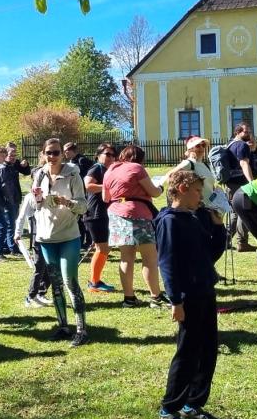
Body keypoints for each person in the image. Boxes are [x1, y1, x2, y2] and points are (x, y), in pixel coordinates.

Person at [155, 170, 228, 419]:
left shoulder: (196, 217)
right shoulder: (170, 222)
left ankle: (193, 404)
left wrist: (219, 228)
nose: (201, 196)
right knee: (187, 352)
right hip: (188, 297)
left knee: (208, 350)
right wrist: (176, 301)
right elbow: (168, 265)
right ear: (183, 188)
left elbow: (211, 254)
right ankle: (170, 407)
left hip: (206, 291)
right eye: (197, 190)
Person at [31, 139, 89, 346]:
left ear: (62, 154)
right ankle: (63, 326)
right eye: (48, 152)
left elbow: (83, 206)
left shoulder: (73, 173)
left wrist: (68, 202)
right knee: (55, 284)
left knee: (69, 281)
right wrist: (37, 198)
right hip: (46, 237)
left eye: (56, 152)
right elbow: (34, 204)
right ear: (43, 153)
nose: (52, 156)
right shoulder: (39, 174)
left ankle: (81, 330)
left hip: (68, 236)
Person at [103, 145, 166, 308]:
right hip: (138, 214)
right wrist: (160, 188)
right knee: (149, 257)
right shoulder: (137, 168)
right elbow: (153, 192)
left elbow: (105, 197)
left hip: (116, 214)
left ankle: (129, 298)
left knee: (126, 257)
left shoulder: (110, 170)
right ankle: (156, 297)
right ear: (140, 158)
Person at [13, 152, 53, 308]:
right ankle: (30, 297)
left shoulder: (50, 195)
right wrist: (17, 233)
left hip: (51, 234)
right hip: (38, 236)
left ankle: (41, 293)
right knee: (39, 267)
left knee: (50, 267)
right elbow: (21, 216)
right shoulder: (30, 198)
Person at [84, 143, 117, 293]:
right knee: (102, 248)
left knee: (104, 248)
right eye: (107, 154)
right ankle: (94, 282)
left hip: (103, 213)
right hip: (95, 213)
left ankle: (95, 280)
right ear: (98, 155)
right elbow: (88, 185)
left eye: (113, 154)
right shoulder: (96, 168)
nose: (111, 157)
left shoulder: (107, 169)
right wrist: (107, 187)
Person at [225, 124, 256, 252]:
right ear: (238, 132)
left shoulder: (230, 145)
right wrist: (251, 182)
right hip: (241, 184)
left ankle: (225, 240)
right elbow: (244, 164)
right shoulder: (242, 145)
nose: (248, 134)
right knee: (244, 211)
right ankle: (242, 242)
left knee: (234, 213)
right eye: (246, 132)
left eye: (249, 131)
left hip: (230, 183)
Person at [1, 143, 31, 254]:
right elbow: (4, 186)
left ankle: (6, 245)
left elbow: (26, 172)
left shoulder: (15, 164)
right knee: (10, 223)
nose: (13, 157)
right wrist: (9, 199)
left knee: (12, 222)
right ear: (5, 154)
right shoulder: (3, 167)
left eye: (15, 154)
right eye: (11, 154)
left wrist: (25, 165)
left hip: (15, 196)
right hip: (9, 198)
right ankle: (12, 247)